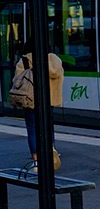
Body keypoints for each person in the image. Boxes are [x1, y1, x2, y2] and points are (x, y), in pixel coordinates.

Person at [9, 42, 65, 171]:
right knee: (48, 126)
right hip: (49, 100)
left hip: (30, 100)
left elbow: (16, 81)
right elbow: (58, 76)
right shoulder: (54, 59)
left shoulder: (24, 60)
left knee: (32, 129)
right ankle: (51, 154)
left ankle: (36, 161)